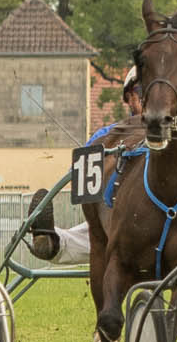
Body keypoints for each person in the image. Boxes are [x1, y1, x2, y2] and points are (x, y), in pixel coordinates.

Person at [24, 68, 142, 263]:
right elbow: (78, 179)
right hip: (117, 219)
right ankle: (50, 241)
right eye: (142, 91)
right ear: (129, 98)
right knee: (92, 234)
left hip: (167, 222)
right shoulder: (108, 136)